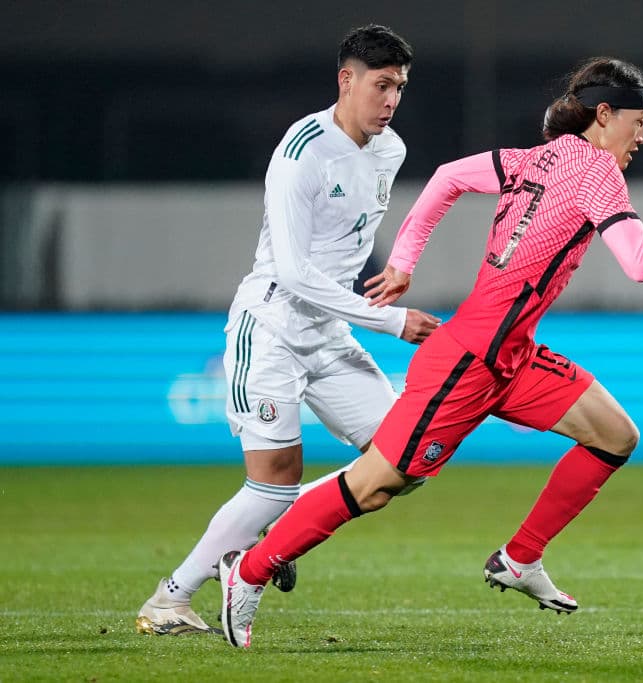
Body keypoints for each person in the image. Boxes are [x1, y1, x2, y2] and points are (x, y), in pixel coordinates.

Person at [216, 56, 643, 649]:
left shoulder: (534, 157)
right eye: (637, 122)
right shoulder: (597, 174)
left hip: (512, 356)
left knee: (616, 435)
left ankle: (520, 557)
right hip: (468, 360)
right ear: (604, 115)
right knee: (375, 485)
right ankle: (246, 572)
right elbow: (640, 263)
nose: (641, 136)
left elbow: (447, 178)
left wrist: (405, 259)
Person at [135, 24, 440, 637]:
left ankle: (251, 547)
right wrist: (388, 320)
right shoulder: (301, 151)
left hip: (330, 334)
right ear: (345, 80)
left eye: (400, 88)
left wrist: (393, 274)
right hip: (271, 327)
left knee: (406, 461)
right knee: (274, 482)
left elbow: (344, 247)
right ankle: (170, 599)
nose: (390, 100)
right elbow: (297, 273)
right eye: (381, 85)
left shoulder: (390, 150)